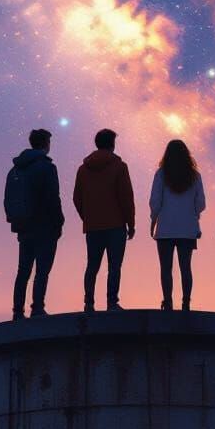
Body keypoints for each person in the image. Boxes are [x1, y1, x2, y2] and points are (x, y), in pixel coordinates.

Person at [4, 128, 64, 321]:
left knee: (23, 270)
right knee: (42, 270)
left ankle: (17, 311)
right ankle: (37, 308)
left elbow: (7, 199)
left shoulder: (15, 169)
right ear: (46, 144)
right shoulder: (46, 167)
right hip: (45, 226)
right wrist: (59, 222)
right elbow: (53, 197)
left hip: (24, 226)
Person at [73, 128, 136, 312]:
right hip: (116, 225)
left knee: (92, 265)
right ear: (112, 144)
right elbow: (126, 197)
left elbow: (77, 198)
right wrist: (130, 224)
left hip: (93, 226)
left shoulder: (83, 169)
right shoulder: (119, 167)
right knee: (114, 266)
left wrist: (87, 216)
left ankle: (89, 303)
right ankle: (111, 302)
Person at [149, 139, 205, 311]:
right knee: (186, 267)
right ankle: (186, 302)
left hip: (165, 229)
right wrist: (194, 215)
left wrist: (154, 219)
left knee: (166, 268)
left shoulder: (161, 174)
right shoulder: (195, 176)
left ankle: (167, 302)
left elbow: (155, 201)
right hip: (187, 230)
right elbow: (201, 203)